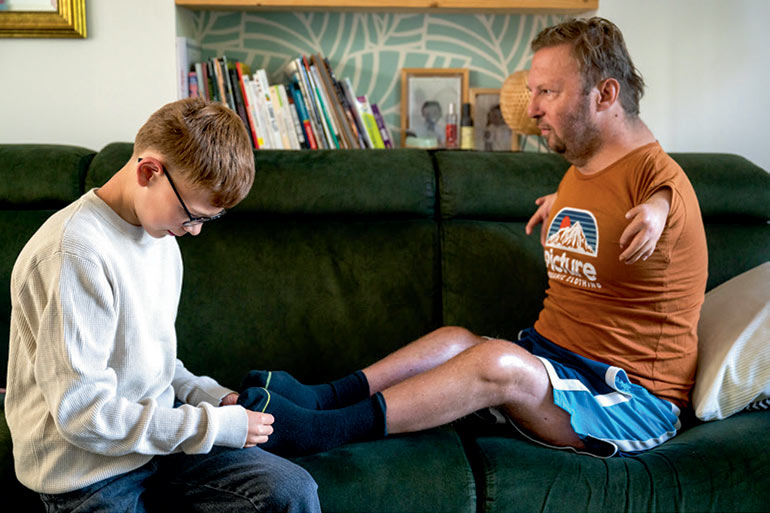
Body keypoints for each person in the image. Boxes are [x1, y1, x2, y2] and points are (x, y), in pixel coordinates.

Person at [235, 16, 708, 459]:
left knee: (497, 361)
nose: (535, 108)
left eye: (548, 91)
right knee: (455, 339)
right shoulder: (584, 165)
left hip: (630, 399)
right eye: (533, 91)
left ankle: (323, 431)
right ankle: (324, 398)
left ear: (605, 94)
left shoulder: (658, 178)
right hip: (553, 360)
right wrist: (560, 205)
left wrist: (655, 211)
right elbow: (601, 209)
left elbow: (668, 197)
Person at [5, 98, 321, 512]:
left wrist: (206, 395)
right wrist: (214, 427)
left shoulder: (161, 238)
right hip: (87, 469)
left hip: (158, 447)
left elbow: (150, 361)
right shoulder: (74, 254)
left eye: (208, 220)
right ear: (148, 171)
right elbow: (83, 415)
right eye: (193, 215)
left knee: (291, 492)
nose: (194, 232)